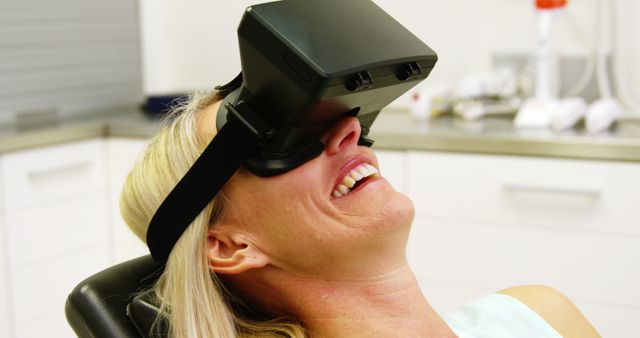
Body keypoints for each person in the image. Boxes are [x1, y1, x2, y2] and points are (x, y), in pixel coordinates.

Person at [120, 87, 601, 338]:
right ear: (228, 245)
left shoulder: (534, 313)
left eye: (334, 119)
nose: (351, 131)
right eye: (282, 142)